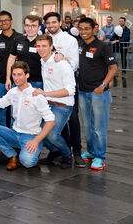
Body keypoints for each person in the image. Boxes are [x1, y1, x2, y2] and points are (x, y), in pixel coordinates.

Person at [0, 62, 56, 170]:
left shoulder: (36, 95)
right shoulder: (13, 92)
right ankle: (12, 155)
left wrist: (36, 140)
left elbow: (51, 121)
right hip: (14, 133)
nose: (16, 78)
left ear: (27, 75)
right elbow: (0, 103)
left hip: (31, 136)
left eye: (19, 74)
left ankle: (33, 150)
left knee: (27, 162)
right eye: (14, 74)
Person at [44, 12, 84, 167]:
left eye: (54, 22)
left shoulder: (70, 40)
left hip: (67, 85)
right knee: (56, 121)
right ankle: (62, 150)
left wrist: (64, 59)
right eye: (48, 23)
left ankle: (77, 152)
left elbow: (76, 64)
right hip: (50, 87)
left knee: (73, 119)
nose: (51, 25)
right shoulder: (44, 39)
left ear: (59, 22)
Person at [77, 17, 118, 171]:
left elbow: (113, 68)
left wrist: (103, 85)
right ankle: (92, 151)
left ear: (94, 29)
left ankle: (100, 156)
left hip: (99, 93)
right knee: (88, 126)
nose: (83, 32)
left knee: (99, 128)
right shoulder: (79, 44)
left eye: (87, 28)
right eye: (80, 29)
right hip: (83, 92)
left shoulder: (102, 46)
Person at [34, 34, 76, 169]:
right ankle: (55, 151)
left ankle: (66, 154)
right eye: (38, 46)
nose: (41, 49)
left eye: (44, 46)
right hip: (48, 104)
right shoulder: (43, 61)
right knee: (36, 132)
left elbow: (70, 90)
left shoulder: (62, 63)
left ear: (51, 47)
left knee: (51, 135)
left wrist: (45, 93)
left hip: (63, 105)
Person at [0, 11, 21, 126]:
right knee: (1, 112)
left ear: (11, 21)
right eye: (1, 21)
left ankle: (14, 138)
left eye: (6, 20)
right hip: (0, 80)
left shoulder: (20, 38)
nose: (3, 23)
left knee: (15, 112)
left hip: (17, 82)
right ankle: (1, 138)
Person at [6, 15, 44, 90]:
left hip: (37, 82)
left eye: (33, 26)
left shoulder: (43, 41)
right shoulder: (18, 40)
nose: (30, 29)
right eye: (27, 25)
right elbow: (11, 59)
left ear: (39, 27)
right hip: (18, 81)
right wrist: (8, 78)